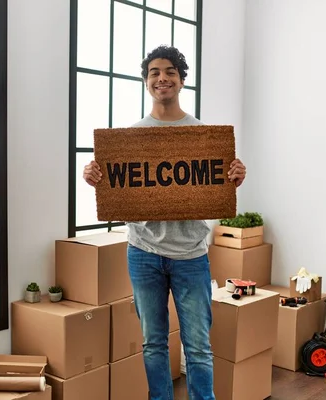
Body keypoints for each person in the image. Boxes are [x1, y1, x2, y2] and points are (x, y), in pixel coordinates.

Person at [83, 45, 246, 400]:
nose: (162, 78)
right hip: (143, 253)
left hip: (191, 255)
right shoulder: (130, 137)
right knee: (153, 343)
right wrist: (95, 174)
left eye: (170, 71)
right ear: (146, 82)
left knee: (199, 346)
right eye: (155, 72)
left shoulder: (204, 136)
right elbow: (119, 186)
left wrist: (234, 174)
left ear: (182, 80)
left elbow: (216, 182)